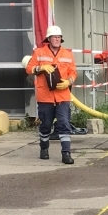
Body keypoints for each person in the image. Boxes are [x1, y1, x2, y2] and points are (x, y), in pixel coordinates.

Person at [26, 24, 77, 163]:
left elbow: (73, 72)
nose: (57, 39)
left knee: (64, 123)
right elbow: (29, 68)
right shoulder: (39, 52)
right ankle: (44, 148)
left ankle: (66, 154)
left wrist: (69, 82)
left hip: (63, 95)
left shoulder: (67, 54)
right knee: (46, 124)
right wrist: (40, 67)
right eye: (54, 37)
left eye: (59, 37)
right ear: (49, 38)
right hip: (45, 96)